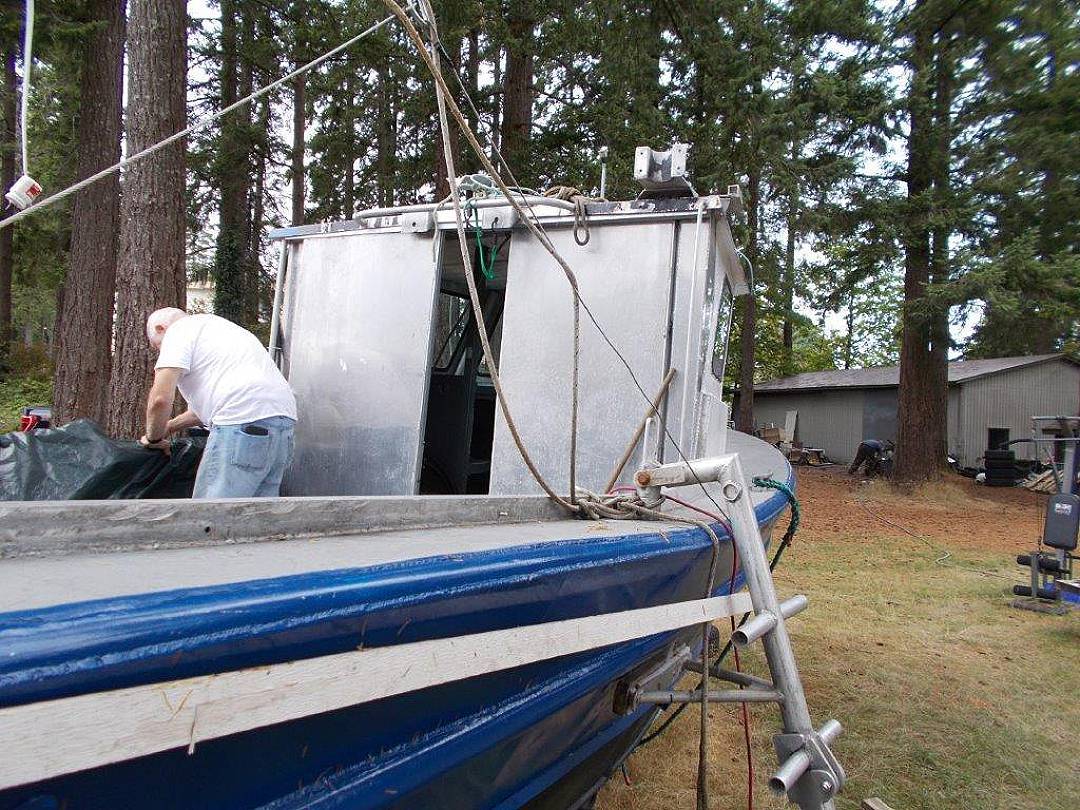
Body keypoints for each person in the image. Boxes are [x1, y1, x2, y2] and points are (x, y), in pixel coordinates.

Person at [140, 307, 298, 498]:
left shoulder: (177, 332)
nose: (160, 352)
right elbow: (207, 409)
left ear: (160, 329)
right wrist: (170, 426)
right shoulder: (222, 331)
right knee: (256, 517)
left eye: (157, 347)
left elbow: (159, 400)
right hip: (283, 426)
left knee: (211, 517)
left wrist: (153, 439)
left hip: (241, 426)